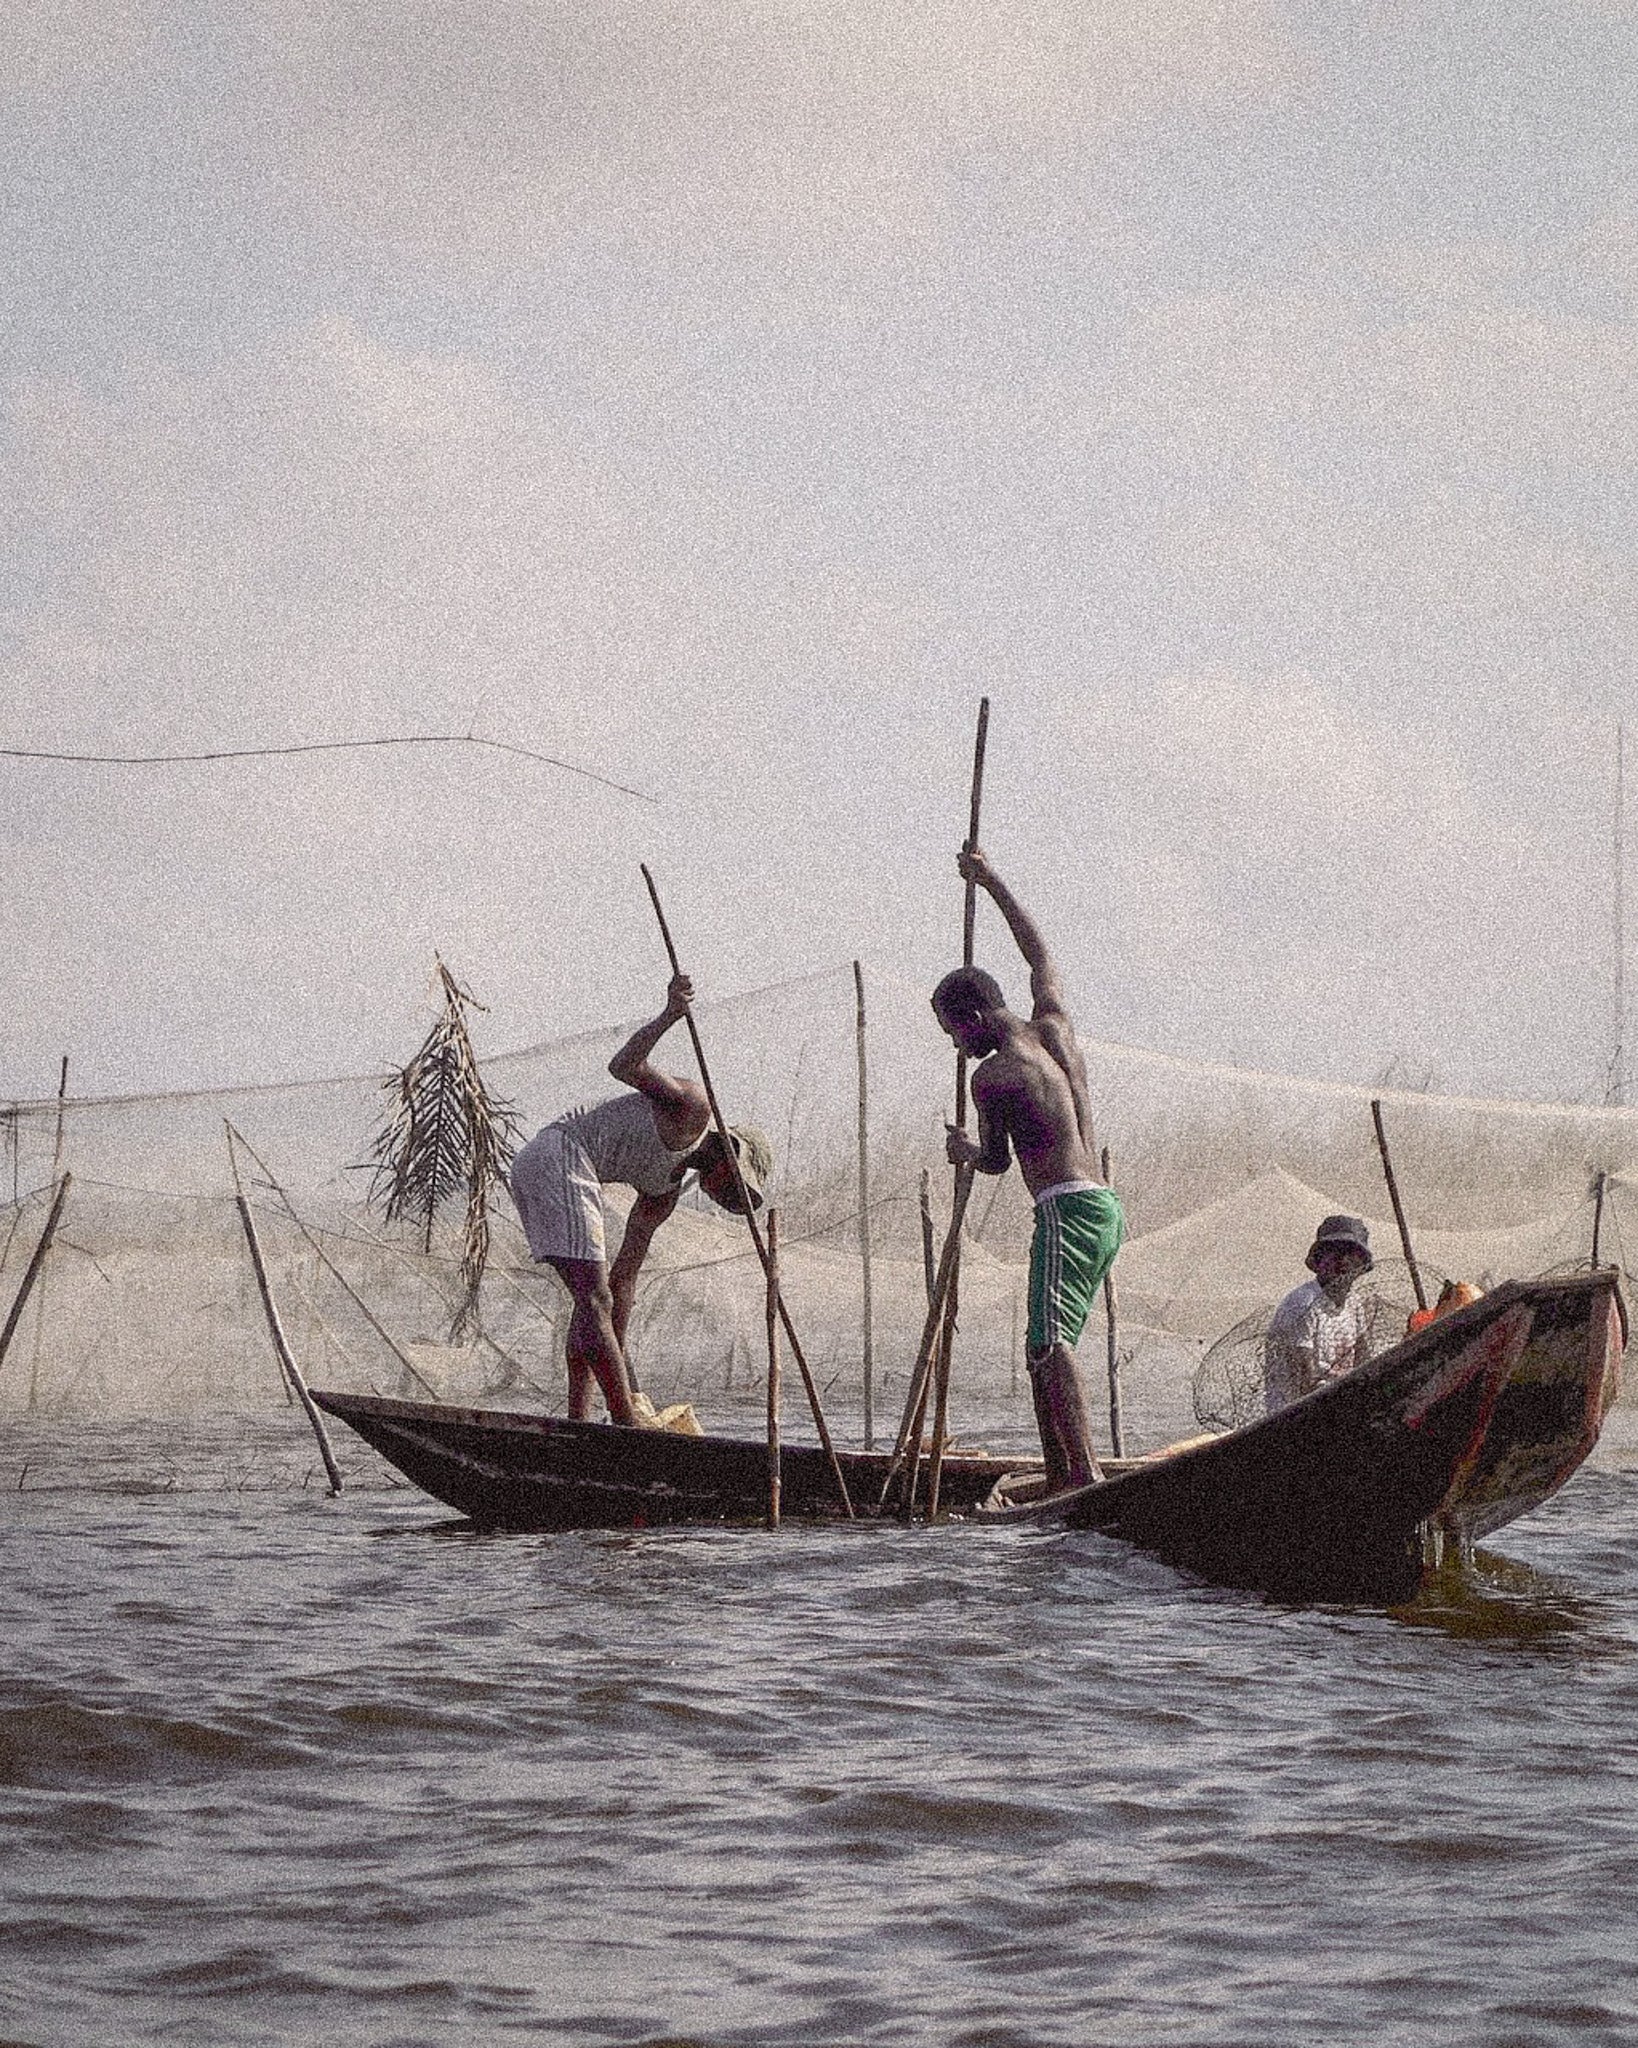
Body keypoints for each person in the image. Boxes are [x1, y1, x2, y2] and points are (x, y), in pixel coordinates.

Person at [932, 845, 1123, 1492]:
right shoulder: (1055, 1027)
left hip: (1066, 1209)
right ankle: (1060, 1471)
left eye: (954, 1034)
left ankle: (1084, 1476)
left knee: (1049, 1345)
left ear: (975, 1020)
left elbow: (992, 1162)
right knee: (1039, 1342)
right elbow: (1039, 955)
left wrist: (963, 1151)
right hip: (1102, 1206)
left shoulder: (995, 1077)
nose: (957, 1048)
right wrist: (991, 881)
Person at [508, 972, 773, 1426]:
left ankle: (581, 1418)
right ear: (729, 1157)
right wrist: (670, 1013)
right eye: (735, 1188)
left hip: (559, 1170)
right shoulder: (693, 1108)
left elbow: (624, 1280)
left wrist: (618, 1351)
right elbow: (625, 1066)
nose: (727, 1197)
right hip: (560, 1155)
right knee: (594, 1301)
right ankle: (623, 1419)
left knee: (595, 1301)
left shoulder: (662, 1196)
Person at [1262, 1215, 1373, 1415]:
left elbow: (1364, 1359)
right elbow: (1307, 1381)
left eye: (1350, 1255)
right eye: (1334, 1254)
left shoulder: (1354, 1303)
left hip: (1338, 1404)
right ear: (1320, 1259)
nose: (1343, 1263)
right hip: (1295, 1414)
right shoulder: (1303, 1304)